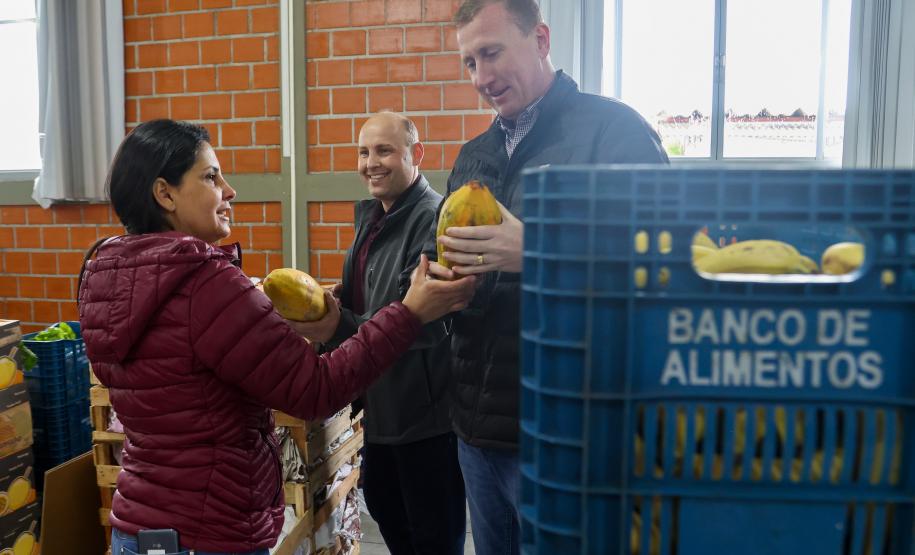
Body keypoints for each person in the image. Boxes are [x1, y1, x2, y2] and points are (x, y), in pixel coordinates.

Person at [77, 119, 476, 554]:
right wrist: (409, 312)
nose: (229, 191)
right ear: (165, 193)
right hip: (212, 529)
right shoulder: (207, 284)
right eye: (211, 177)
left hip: (136, 524)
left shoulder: (102, 278)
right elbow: (315, 390)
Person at [427, 1, 670, 554]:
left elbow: (661, 264)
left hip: (568, 433)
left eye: (491, 53)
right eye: (468, 63)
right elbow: (448, 251)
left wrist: (537, 249)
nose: (481, 77)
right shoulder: (474, 154)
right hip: (477, 428)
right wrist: (436, 278)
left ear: (540, 38)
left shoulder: (614, 133)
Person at [292, 112, 466, 555]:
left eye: (384, 150)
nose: (371, 162)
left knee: (432, 536)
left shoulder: (433, 218)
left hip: (425, 416)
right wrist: (334, 300)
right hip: (381, 408)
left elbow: (422, 314)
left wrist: (339, 325)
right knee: (390, 514)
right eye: (364, 151)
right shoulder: (373, 218)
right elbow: (375, 298)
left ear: (416, 154)